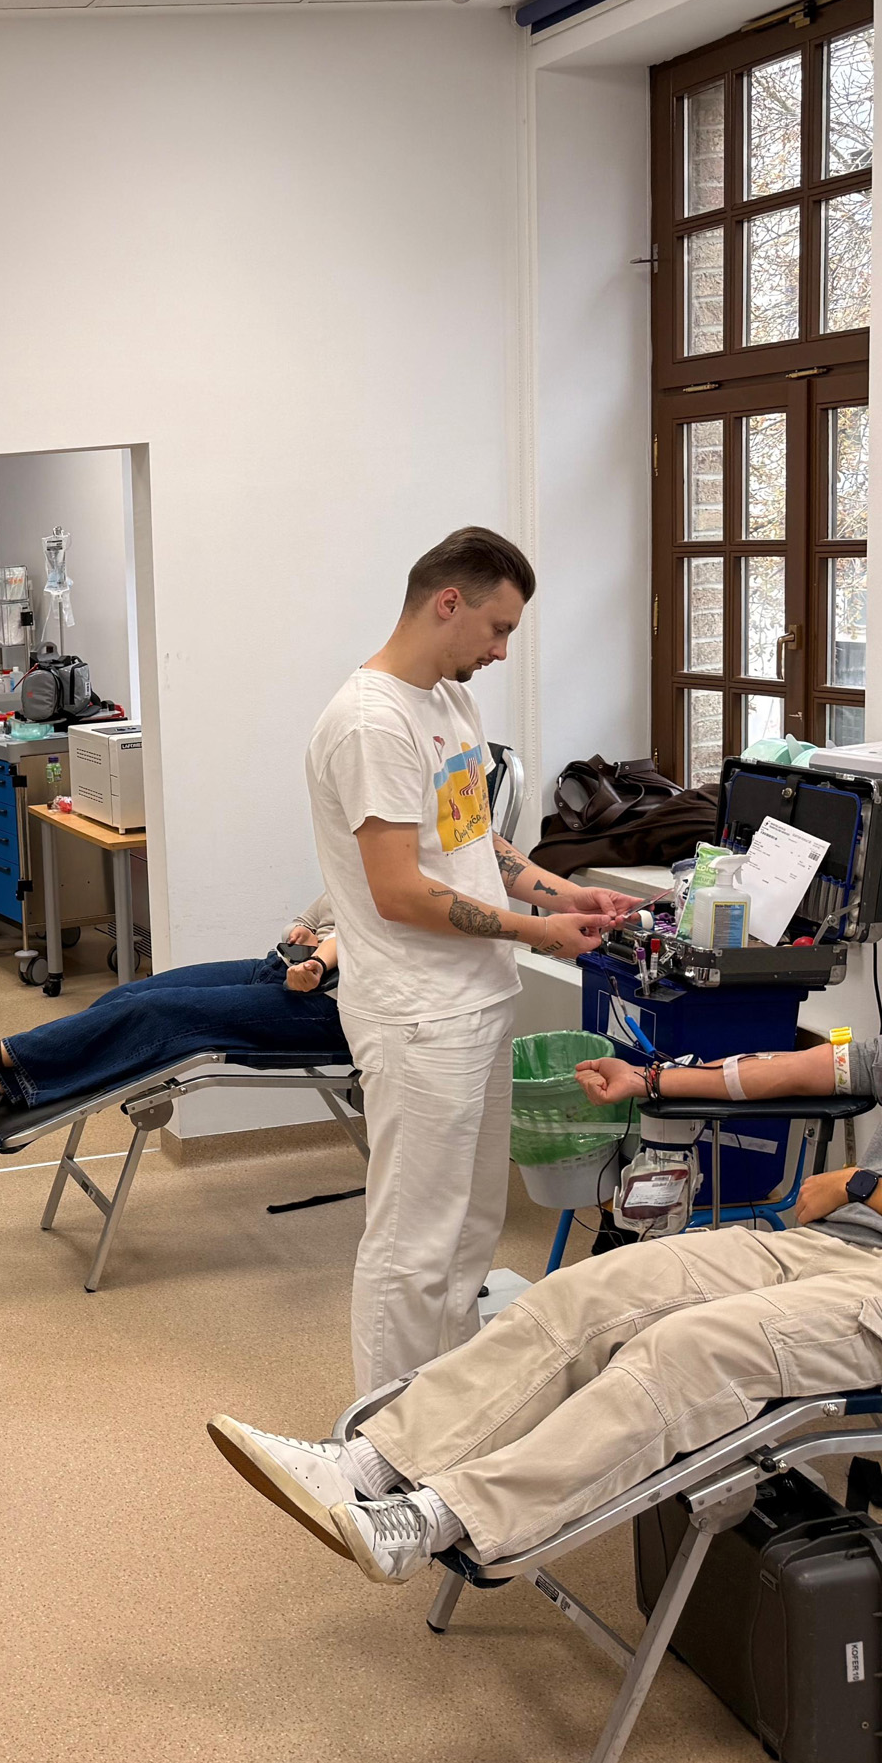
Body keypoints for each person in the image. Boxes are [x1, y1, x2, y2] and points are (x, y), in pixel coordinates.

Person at [209, 890, 882, 1587]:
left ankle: (435, 1518)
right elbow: (796, 1071)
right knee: (591, 1291)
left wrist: (866, 1185)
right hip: (829, 1245)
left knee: (689, 1349)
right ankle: (367, 1463)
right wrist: (653, 1082)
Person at [304, 527, 639, 1395]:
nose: (499, 651)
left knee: (465, 1232)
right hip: (417, 1013)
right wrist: (533, 934)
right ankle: (384, 1431)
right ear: (446, 603)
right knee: (413, 1242)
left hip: (476, 996)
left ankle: (441, 1407)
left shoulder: (449, 702)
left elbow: (471, 841)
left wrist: (560, 896)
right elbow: (399, 891)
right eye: (497, 629)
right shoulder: (370, 722)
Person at [0, 902, 345, 1122]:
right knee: (132, 996)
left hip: (328, 1004)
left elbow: (361, 934)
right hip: (279, 967)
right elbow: (320, 915)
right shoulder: (354, 853)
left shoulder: (387, 855)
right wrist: (301, 929)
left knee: (158, 1014)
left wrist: (320, 960)